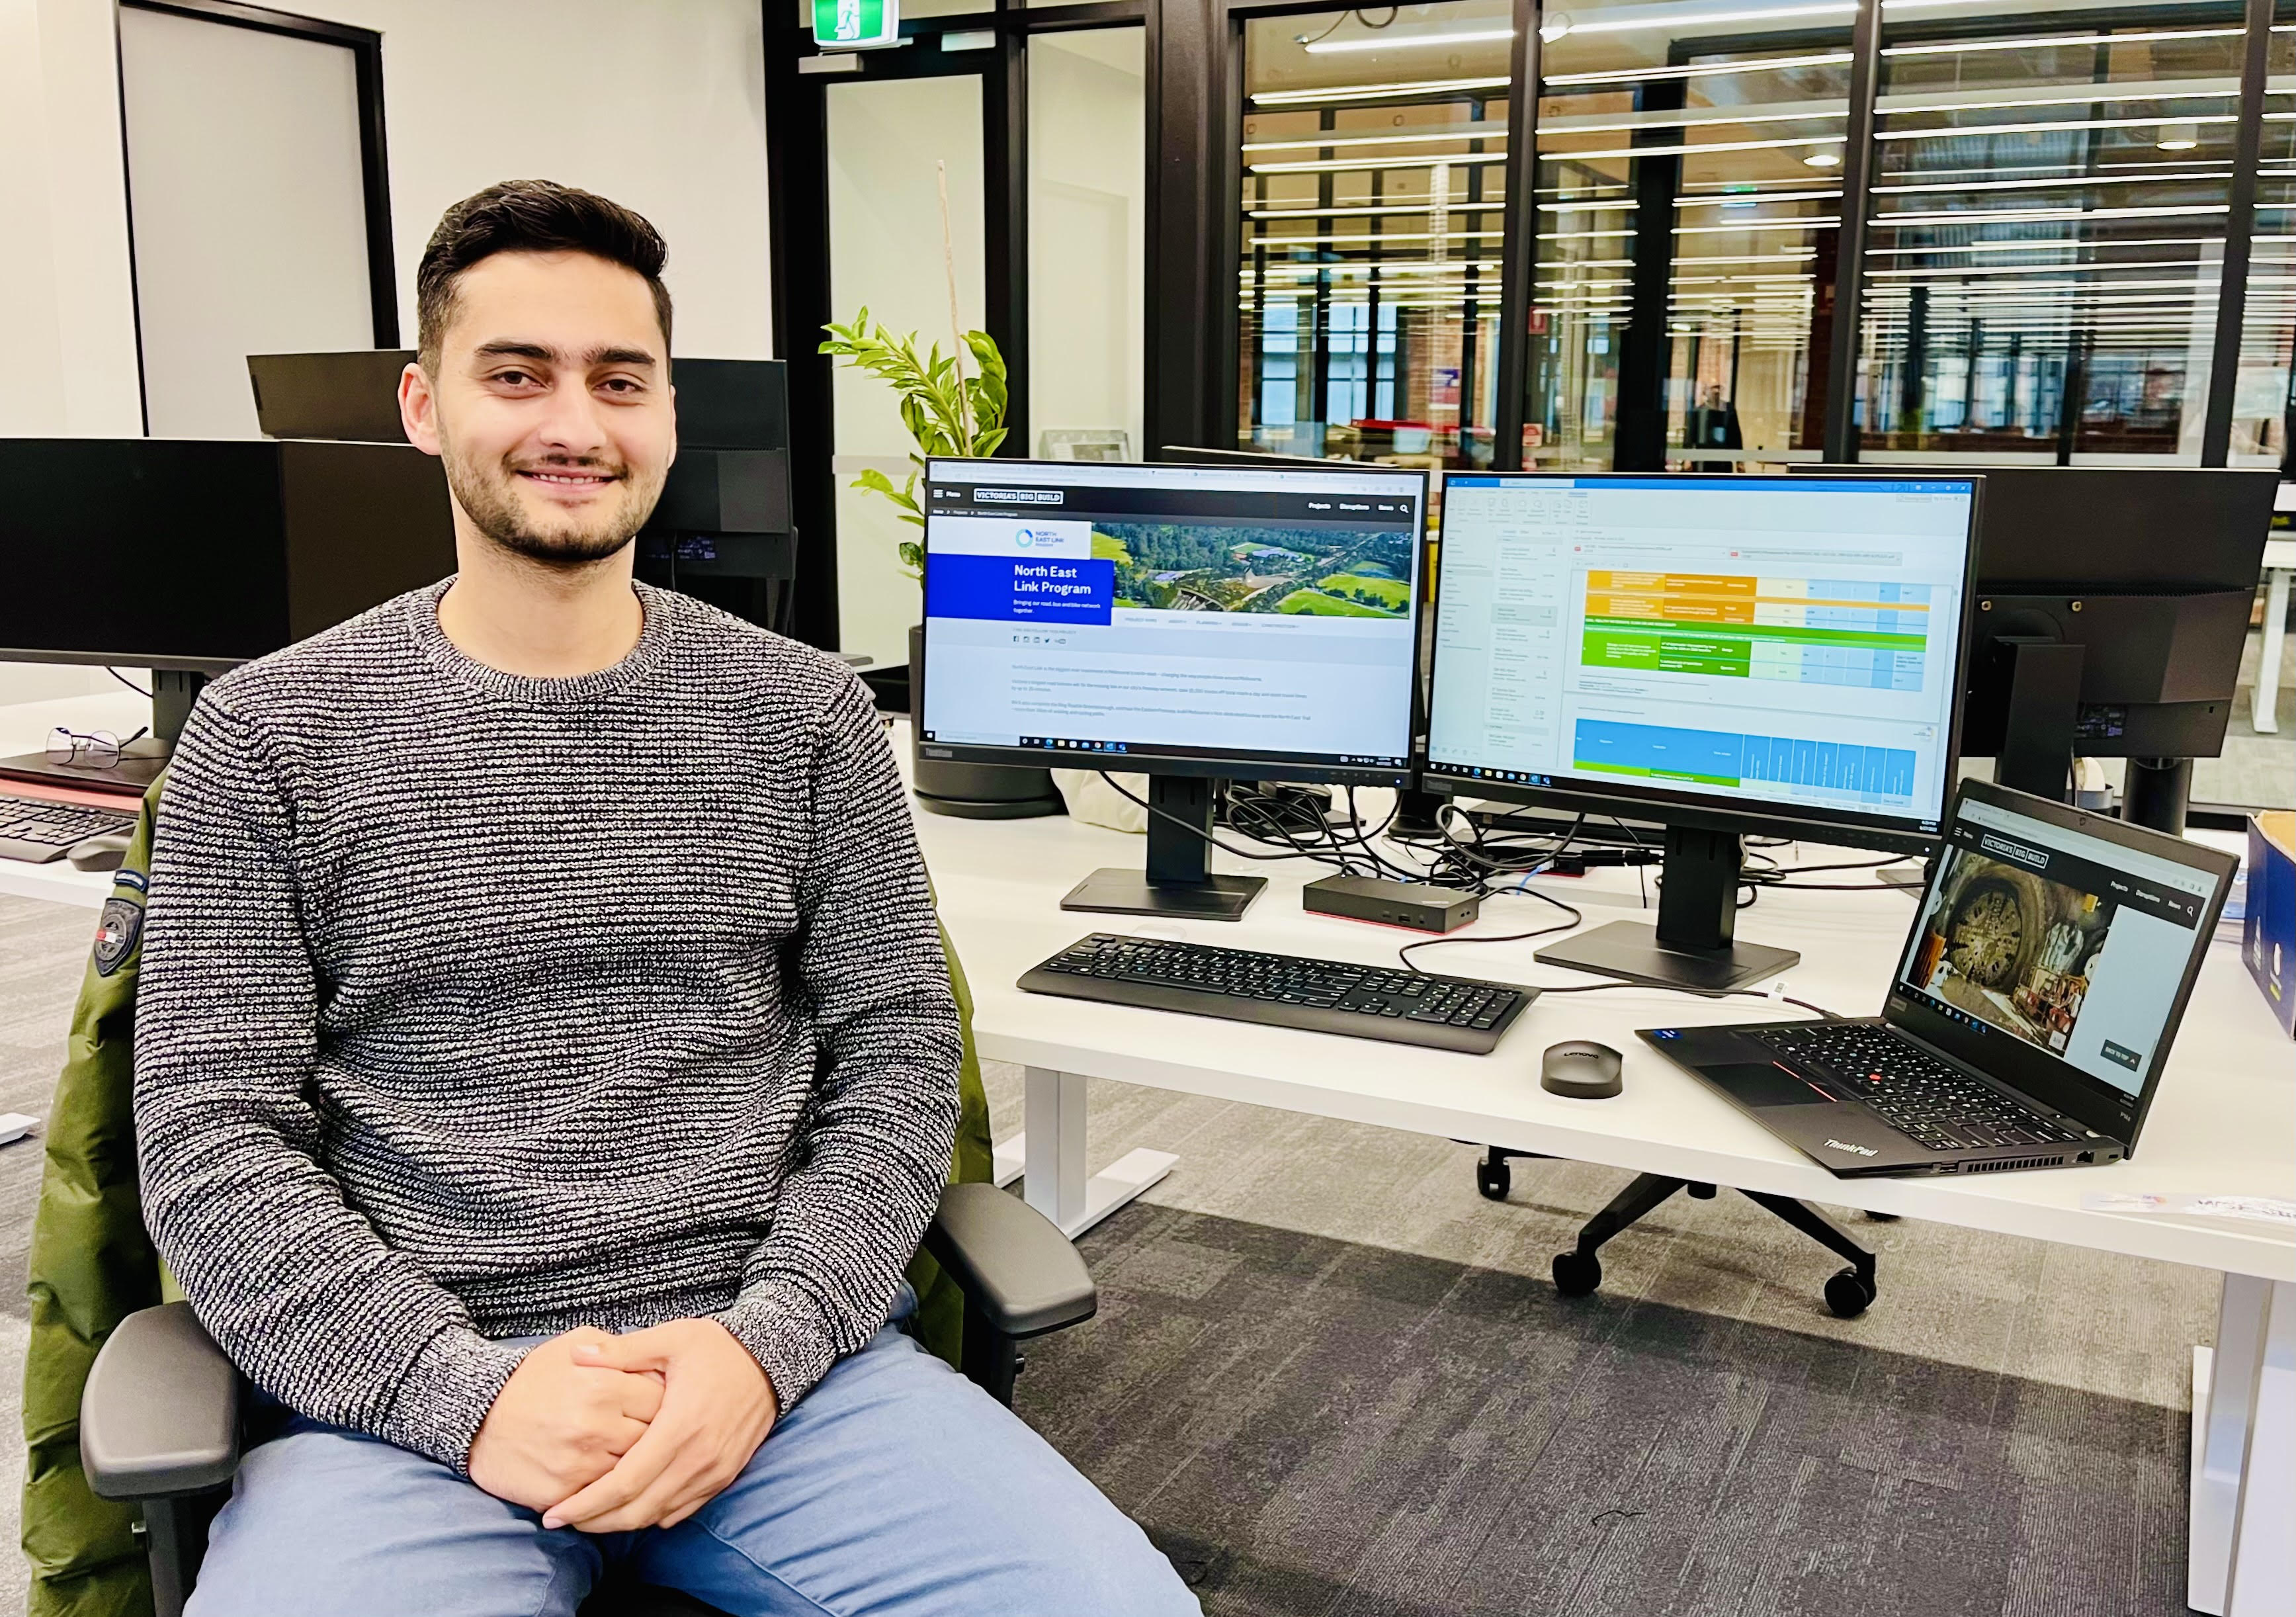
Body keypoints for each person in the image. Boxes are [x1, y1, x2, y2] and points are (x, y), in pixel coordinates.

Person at [133, 179, 1198, 1617]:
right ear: (422, 405)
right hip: (407, 1411)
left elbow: (893, 1069)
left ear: (668, 415)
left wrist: (765, 1346)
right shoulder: (268, 736)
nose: (574, 423)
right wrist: (462, 1394)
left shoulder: (803, 713)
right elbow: (211, 1143)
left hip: (776, 1382)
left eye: (617, 379)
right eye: (516, 373)